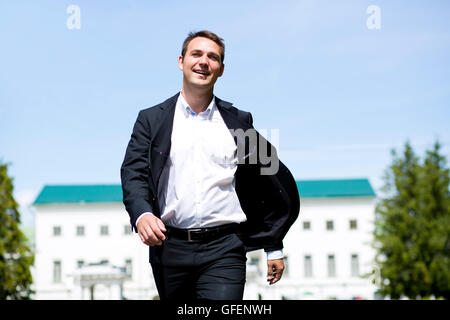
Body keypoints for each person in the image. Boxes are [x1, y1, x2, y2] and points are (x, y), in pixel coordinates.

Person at [121, 30, 300, 300]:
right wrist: (142, 214)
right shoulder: (150, 120)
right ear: (181, 61)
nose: (204, 61)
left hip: (225, 248)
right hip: (170, 248)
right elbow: (133, 173)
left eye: (212, 57)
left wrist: (273, 244)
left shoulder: (239, 123)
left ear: (221, 69)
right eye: (196, 54)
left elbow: (271, 180)